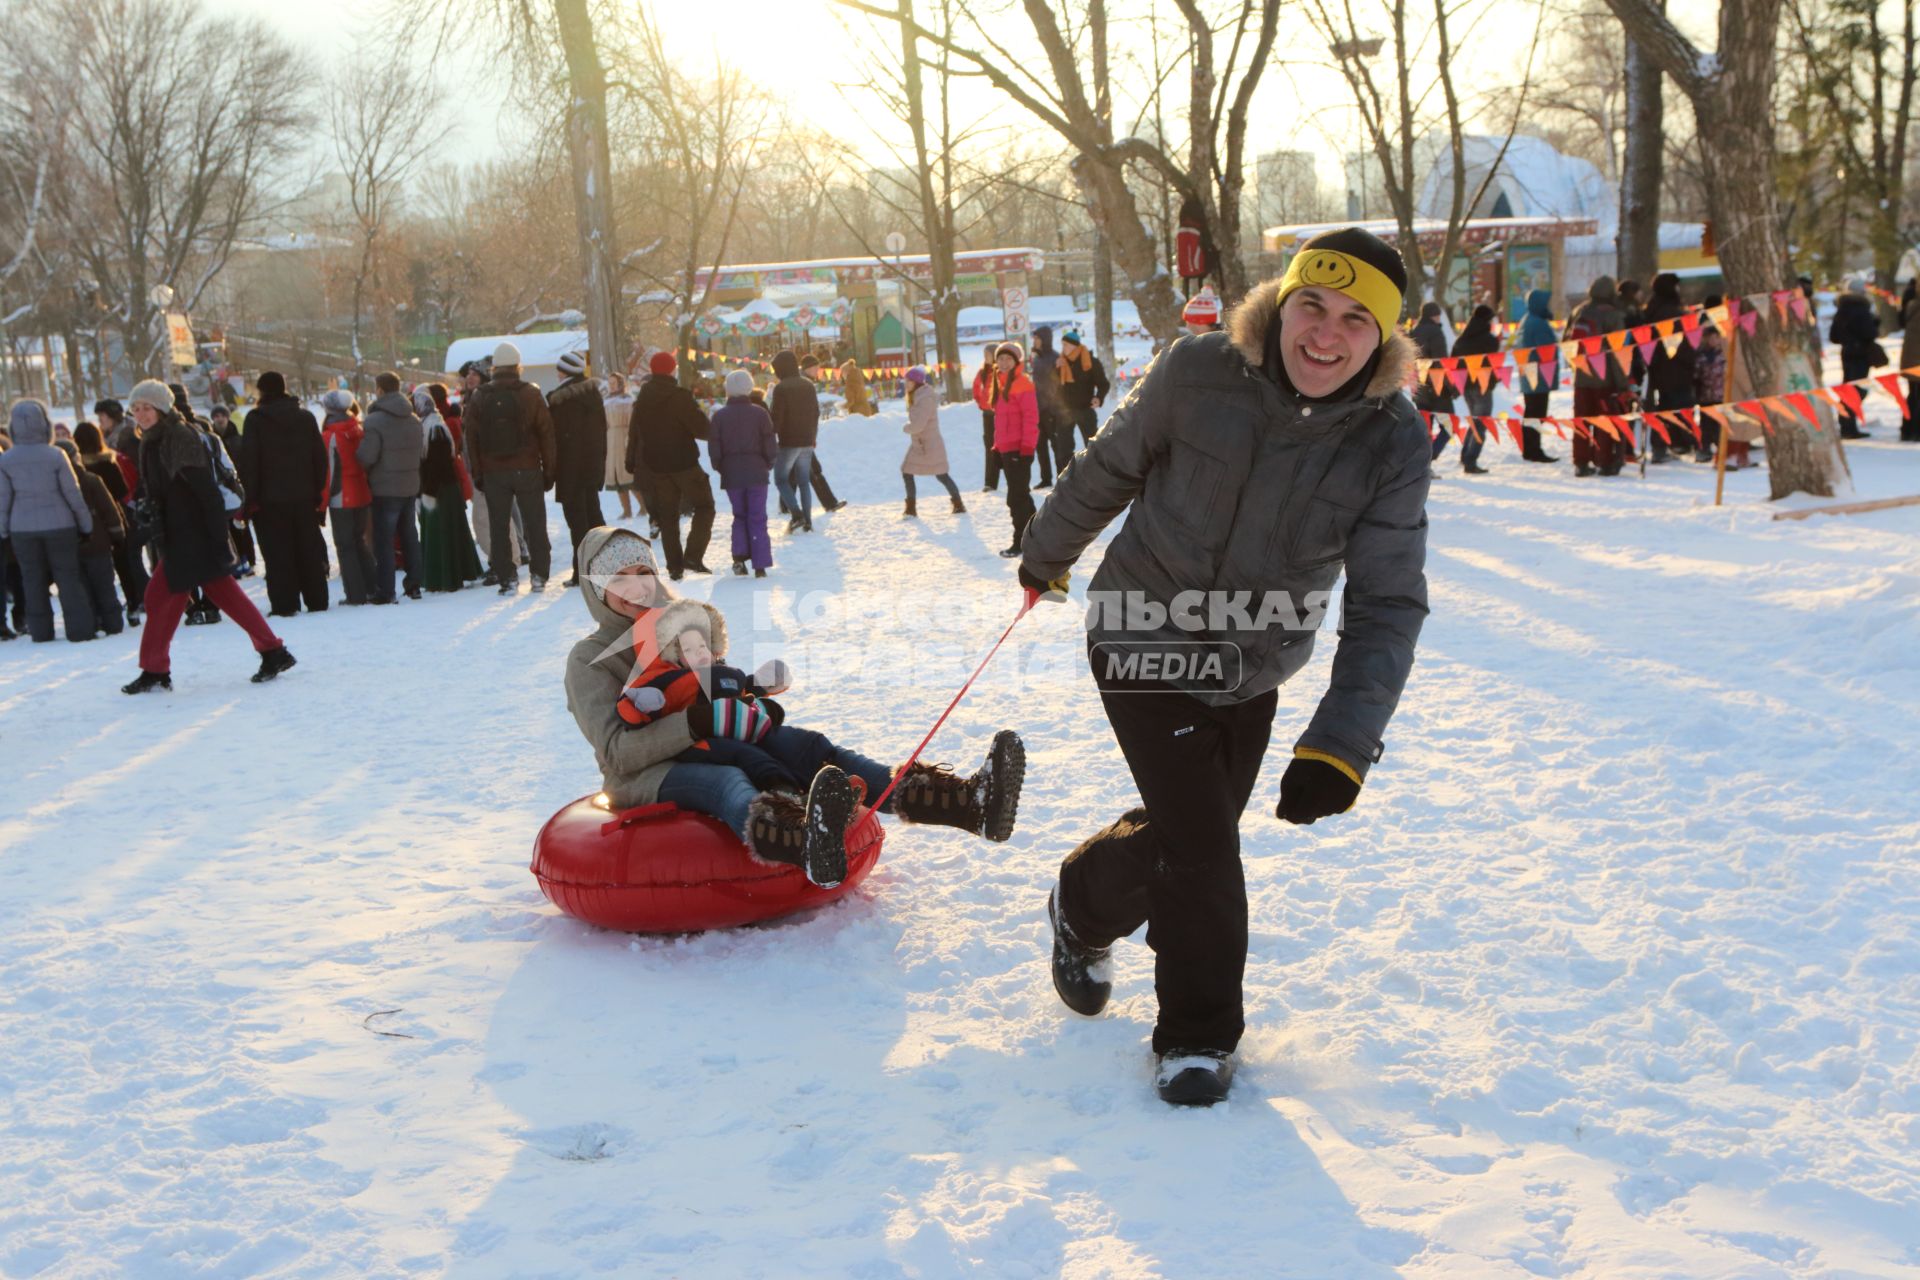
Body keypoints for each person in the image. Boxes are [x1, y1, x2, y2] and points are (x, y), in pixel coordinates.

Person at [1018, 226, 1429, 1106]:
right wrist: (1046, 552)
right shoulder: (1197, 372)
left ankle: (1081, 905)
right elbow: (1109, 465)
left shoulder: (1390, 442)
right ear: (1280, 305)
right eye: (1312, 305)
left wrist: (1342, 743)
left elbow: (1388, 601)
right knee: (1205, 847)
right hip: (1139, 633)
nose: (1326, 333)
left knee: (1186, 836)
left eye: (1356, 319)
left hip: (1253, 663)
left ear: (1384, 340)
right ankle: (1196, 1038)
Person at [565, 527, 1026, 890]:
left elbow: (716, 689)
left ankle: (966, 803)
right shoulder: (588, 660)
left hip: (721, 740)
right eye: (618, 578)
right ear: (596, 588)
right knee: (728, 781)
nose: (637, 587)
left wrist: (751, 702)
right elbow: (617, 752)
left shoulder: (678, 627)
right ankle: (805, 842)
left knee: (811, 748)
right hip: (648, 775)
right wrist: (694, 723)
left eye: (643, 573)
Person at [119, 380, 294, 693]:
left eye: (146, 407)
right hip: (179, 532)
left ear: (161, 407)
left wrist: (216, 538)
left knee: (159, 597)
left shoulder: (179, 437)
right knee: (220, 595)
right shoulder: (153, 439)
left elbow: (206, 492)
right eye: (135, 409)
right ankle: (272, 650)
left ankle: (155, 669)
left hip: (192, 534)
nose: (141, 414)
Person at [0, 399, 96, 642]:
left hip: (22, 528)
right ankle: (80, 629)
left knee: (31, 580)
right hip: (60, 524)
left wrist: (3, 529)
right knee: (68, 577)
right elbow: (72, 493)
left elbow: (4, 499)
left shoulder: (6, 460)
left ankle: (41, 631)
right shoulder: (56, 455)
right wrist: (85, 524)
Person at [467, 341, 558, 594]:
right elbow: (546, 433)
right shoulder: (530, 392)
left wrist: (478, 473)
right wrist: (549, 471)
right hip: (527, 469)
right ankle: (539, 575)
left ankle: (507, 578)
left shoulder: (481, 395)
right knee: (535, 523)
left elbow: (471, 437)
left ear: (495, 367)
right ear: (518, 366)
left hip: (494, 472)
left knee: (499, 527)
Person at [238, 370, 330, 617]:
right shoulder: (306, 418)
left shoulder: (255, 420)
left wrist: (250, 499)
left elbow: (250, 463)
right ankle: (317, 599)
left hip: (269, 501)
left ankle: (284, 604)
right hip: (303, 497)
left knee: (278, 555)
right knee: (308, 551)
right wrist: (315, 491)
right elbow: (319, 459)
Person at [625, 350, 714, 580]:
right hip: (684, 463)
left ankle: (675, 567)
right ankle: (693, 556)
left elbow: (634, 431)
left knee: (668, 517)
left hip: (656, 466)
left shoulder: (642, 399)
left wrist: (631, 460)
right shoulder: (679, 396)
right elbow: (702, 429)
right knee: (705, 506)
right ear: (672, 369)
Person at [355, 371, 426, 603]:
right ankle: (415, 584)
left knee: (384, 540)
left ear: (379, 390)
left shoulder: (374, 421)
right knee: (409, 535)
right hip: (410, 485)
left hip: (384, 488)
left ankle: (386, 591)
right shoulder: (414, 419)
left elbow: (367, 456)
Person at [75, 420, 146, 623]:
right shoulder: (108, 462)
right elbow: (123, 492)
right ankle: (133, 602)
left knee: (97, 568)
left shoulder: (78, 469)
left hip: (90, 521)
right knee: (123, 563)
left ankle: (100, 609)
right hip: (115, 516)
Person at [548, 349, 610, 585]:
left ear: (565, 371)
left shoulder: (560, 401)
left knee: (577, 524)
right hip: (591, 468)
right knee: (594, 518)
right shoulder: (593, 395)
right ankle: (607, 565)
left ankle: (582, 573)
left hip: (569, 471)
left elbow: (556, 441)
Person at [708, 369, 776, 578]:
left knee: (739, 515)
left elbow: (714, 448)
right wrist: (767, 462)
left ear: (728, 390)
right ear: (749, 387)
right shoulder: (760, 413)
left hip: (732, 473)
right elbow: (769, 442)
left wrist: (721, 466)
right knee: (757, 515)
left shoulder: (719, 417)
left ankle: (739, 558)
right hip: (757, 471)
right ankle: (760, 563)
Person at [415, 387, 484, 591]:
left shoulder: (435, 427)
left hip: (440, 490)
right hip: (437, 488)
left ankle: (447, 578)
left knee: (443, 535)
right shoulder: (428, 425)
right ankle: (445, 577)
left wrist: (428, 492)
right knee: (443, 534)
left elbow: (438, 463)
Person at [55, 437, 125, 636]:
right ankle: (113, 623)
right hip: (98, 543)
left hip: (70, 546)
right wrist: (117, 534)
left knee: (82, 589)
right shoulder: (91, 480)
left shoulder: (53, 487)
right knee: (105, 586)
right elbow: (109, 510)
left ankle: (91, 622)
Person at [1567, 276, 1632, 476]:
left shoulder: (1579, 311)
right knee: (1604, 420)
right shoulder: (1613, 315)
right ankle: (1604, 461)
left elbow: (1567, 345)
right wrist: (1623, 383)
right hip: (1606, 379)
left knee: (1582, 420)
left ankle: (1581, 462)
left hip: (1582, 377)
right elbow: (1618, 352)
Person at [319, 391, 376, 606]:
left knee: (345, 546)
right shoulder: (358, 428)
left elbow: (329, 474)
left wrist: (322, 504)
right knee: (359, 542)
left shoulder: (330, 436)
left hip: (341, 496)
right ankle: (371, 586)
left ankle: (355, 594)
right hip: (362, 492)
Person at [989, 342, 1039, 558]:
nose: (1004, 362)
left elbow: (1031, 419)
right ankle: (1038, 536)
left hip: (1020, 449)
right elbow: (1000, 422)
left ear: (1016, 361)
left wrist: (1027, 448)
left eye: (1008, 359)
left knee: (1017, 497)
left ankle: (1021, 541)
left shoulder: (1022, 383)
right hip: (1007, 450)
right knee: (1020, 496)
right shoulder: (1000, 385)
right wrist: (997, 448)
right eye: (1000, 358)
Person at [1641, 272, 1696, 462]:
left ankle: (1662, 445)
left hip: (1659, 367)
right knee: (1678, 407)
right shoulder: (1670, 312)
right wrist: (1691, 359)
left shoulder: (1651, 309)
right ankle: (1676, 443)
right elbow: (1682, 343)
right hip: (1675, 368)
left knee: (1664, 407)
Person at [897, 365, 964, 517]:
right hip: (921, 444)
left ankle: (958, 504)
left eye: (909, 381)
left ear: (917, 382)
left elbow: (919, 425)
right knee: (908, 471)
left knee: (941, 475)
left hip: (930, 445)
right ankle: (911, 508)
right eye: (906, 380)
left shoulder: (925, 398)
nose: (906, 383)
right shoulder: (918, 396)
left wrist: (907, 428)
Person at [769, 350, 821, 533]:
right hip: (807, 440)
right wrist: (813, 436)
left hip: (788, 442)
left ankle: (796, 514)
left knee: (781, 479)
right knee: (804, 481)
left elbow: (776, 418)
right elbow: (816, 413)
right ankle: (808, 522)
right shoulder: (808, 385)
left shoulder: (781, 389)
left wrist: (771, 432)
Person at [1450, 304, 1499, 474]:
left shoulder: (1462, 340)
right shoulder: (1489, 340)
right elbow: (1494, 355)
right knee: (1481, 422)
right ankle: (1471, 460)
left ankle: (1466, 456)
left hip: (1466, 386)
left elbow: (1452, 362)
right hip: (1482, 385)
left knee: (1474, 420)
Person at [1829, 283, 1881, 439]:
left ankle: (1846, 424)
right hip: (1860, 354)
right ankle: (1849, 427)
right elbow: (1869, 333)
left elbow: (1834, 336)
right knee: (1857, 391)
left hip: (1846, 353)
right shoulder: (1861, 309)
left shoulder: (1841, 309)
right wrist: (1875, 323)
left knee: (1848, 390)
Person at [1515, 289, 1561, 462]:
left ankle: (1529, 449)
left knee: (1531, 413)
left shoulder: (1527, 320)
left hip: (1530, 374)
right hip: (1539, 375)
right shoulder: (1538, 323)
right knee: (1536, 414)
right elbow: (1547, 348)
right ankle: (1534, 450)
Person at [798, 355, 845, 512]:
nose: (818, 370)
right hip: (802, 436)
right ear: (807, 368)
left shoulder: (803, 382)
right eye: (815, 367)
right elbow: (809, 412)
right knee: (813, 471)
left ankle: (829, 503)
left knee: (801, 473)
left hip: (800, 435)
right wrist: (810, 435)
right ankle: (829, 503)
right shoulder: (804, 383)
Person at [1410, 301, 1455, 463]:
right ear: (1433, 316)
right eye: (1437, 315)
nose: (1438, 318)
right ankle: (1427, 459)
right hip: (1438, 385)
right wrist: (1451, 387)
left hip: (1419, 384)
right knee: (1449, 425)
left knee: (1425, 427)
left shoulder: (1414, 331)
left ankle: (1422, 460)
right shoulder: (1435, 332)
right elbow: (1440, 362)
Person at [1055, 330, 1110, 454]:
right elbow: (1054, 386)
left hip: (1085, 409)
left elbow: (1103, 384)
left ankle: (1094, 472)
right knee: (1063, 449)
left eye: (1066, 345)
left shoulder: (1090, 362)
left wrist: (1099, 397)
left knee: (1093, 447)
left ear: (1076, 346)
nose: (1063, 348)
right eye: (1062, 344)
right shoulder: (1061, 362)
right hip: (1065, 411)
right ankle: (1067, 473)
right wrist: (1057, 370)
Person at [1028, 325, 1066, 488]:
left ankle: (1061, 476)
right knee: (1040, 445)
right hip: (1037, 409)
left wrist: (1052, 404)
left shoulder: (1055, 358)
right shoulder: (1036, 359)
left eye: (1036, 338)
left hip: (1051, 409)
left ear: (1044, 339)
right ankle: (1046, 478)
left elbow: (1059, 384)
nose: (1034, 341)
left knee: (1056, 444)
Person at [603, 371, 642, 519]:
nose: (611, 386)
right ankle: (627, 510)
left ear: (620, 384)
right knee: (616, 476)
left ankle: (643, 506)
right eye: (609, 383)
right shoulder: (605, 401)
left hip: (624, 436)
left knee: (627, 475)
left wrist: (629, 439)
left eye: (614, 383)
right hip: (611, 438)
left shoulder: (627, 400)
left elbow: (632, 420)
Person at [972, 348, 1000, 492]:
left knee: (1004, 446)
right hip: (987, 414)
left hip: (1001, 413)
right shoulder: (983, 372)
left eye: (988, 354)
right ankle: (990, 482)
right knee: (989, 447)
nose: (985, 357)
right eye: (984, 355)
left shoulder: (1000, 371)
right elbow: (975, 387)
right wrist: (981, 402)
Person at [1900, 280, 1920, 443]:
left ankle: (1908, 429)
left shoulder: (1912, 305)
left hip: (1910, 359)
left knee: (1913, 395)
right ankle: (1915, 430)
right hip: (1917, 360)